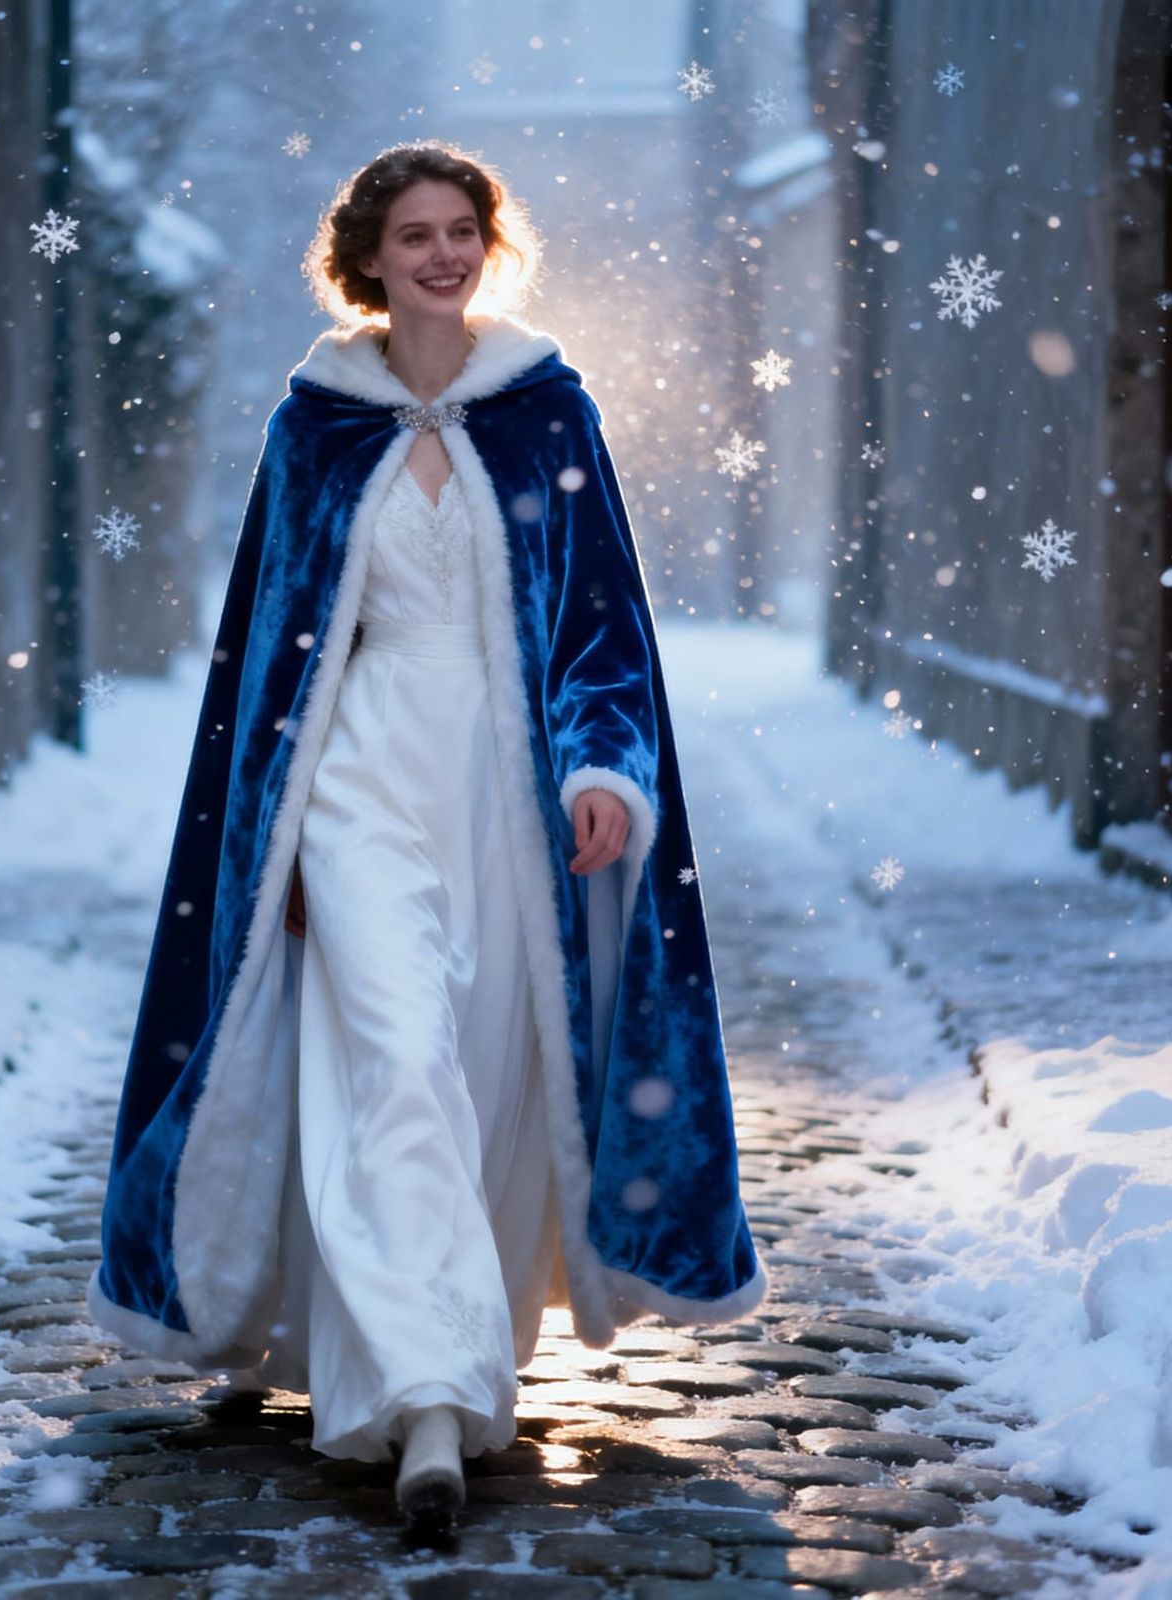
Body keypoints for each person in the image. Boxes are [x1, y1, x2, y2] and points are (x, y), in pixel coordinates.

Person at [87, 141, 767, 1537]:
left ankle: (433, 1358)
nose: (443, 255)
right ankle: (433, 1406)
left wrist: (603, 770)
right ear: (368, 258)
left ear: (488, 246)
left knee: (479, 1082)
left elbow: (601, 628)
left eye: (463, 230)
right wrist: (261, 848)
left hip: (503, 809)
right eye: (415, 234)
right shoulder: (314, 426)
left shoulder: (549, 412)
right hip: (351, 798)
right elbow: (264, 661)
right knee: (393, 1066)